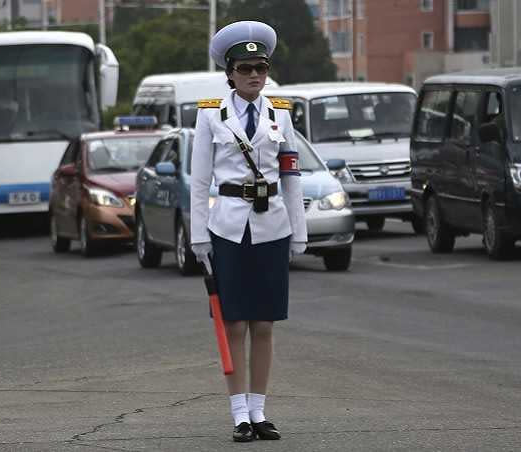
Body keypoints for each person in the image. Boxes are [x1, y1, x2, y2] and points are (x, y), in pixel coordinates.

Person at [190, 20, 307, 443]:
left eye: (261, 66)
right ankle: (238, 413)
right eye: (245, 68)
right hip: (227, 227)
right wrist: (198, 235)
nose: (255, 75)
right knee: (233, 324)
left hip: (272, 225)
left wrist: (299, 232)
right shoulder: (210, 115)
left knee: (265, 323)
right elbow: (199, 181)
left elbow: (292, 176)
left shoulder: (281, 113)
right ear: (230, 73)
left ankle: (260, 411)